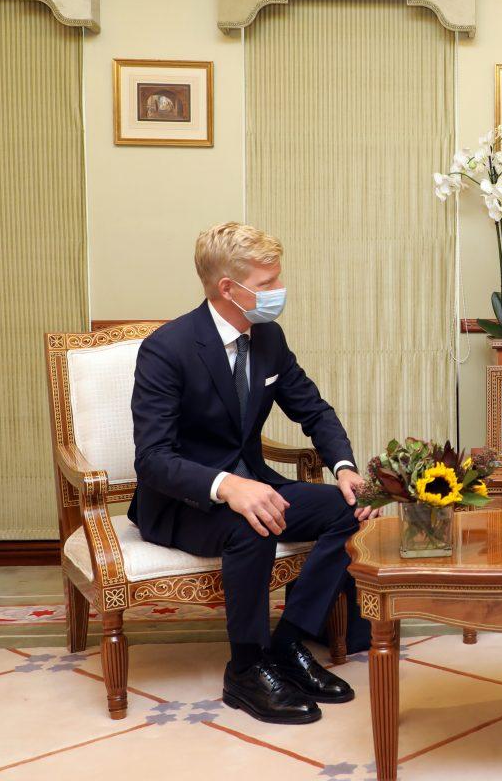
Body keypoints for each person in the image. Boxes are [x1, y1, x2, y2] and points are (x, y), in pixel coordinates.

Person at [129, 222, 381, 725]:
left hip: (256, 482)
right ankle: (245, 668)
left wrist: (345, 468)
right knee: (253, 522)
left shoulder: (267, 338)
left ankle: (288, 642)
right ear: (229, 288)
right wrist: (228, 486)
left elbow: (313, 409)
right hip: (184, 503)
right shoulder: (166, 349)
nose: (279, 290)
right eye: (267, 283)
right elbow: (152, 458)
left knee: (350, 509)